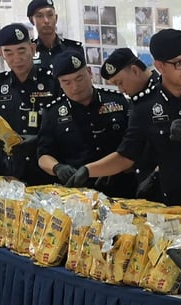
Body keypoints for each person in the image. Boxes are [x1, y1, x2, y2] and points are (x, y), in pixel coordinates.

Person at [75, 29, 181, 218]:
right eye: (179, 63)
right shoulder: (145, 106)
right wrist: (87, 170)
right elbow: (126, 156)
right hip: (172, 207)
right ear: (160, 66)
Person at [37, 50, 135, 197]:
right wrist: (57, 168)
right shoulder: (53, 113)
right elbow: (44, 155)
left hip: (121, 187)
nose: (75, 87)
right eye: (67, 82)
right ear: (60, 83)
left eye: (79, 78)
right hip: (79, 193)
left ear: (89, 73)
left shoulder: (117, 101)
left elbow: (135, 145)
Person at [0, 23, 58, 185]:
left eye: (21, 50)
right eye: (8, 52)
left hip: (47, 169)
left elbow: (65, 125)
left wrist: (39, 139)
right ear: (1, 53)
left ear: (32, 49)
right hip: (12, 171)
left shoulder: (52, 82)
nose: (16, 59)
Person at [99, 47, 160, 198]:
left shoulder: (163, 92)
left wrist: (157, 175)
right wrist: (115, 169)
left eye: (120, 82)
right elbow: (134, 146)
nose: (120, 90)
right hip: (142, 184)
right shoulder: (137, 98)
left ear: (134, 70)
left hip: (168, 185)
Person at [27, 0, 83, 75]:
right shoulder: (28, 51)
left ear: (56, 18)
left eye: (50, 15)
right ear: (31, 20)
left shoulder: (73, 48)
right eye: (40, 16)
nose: (46, 21)